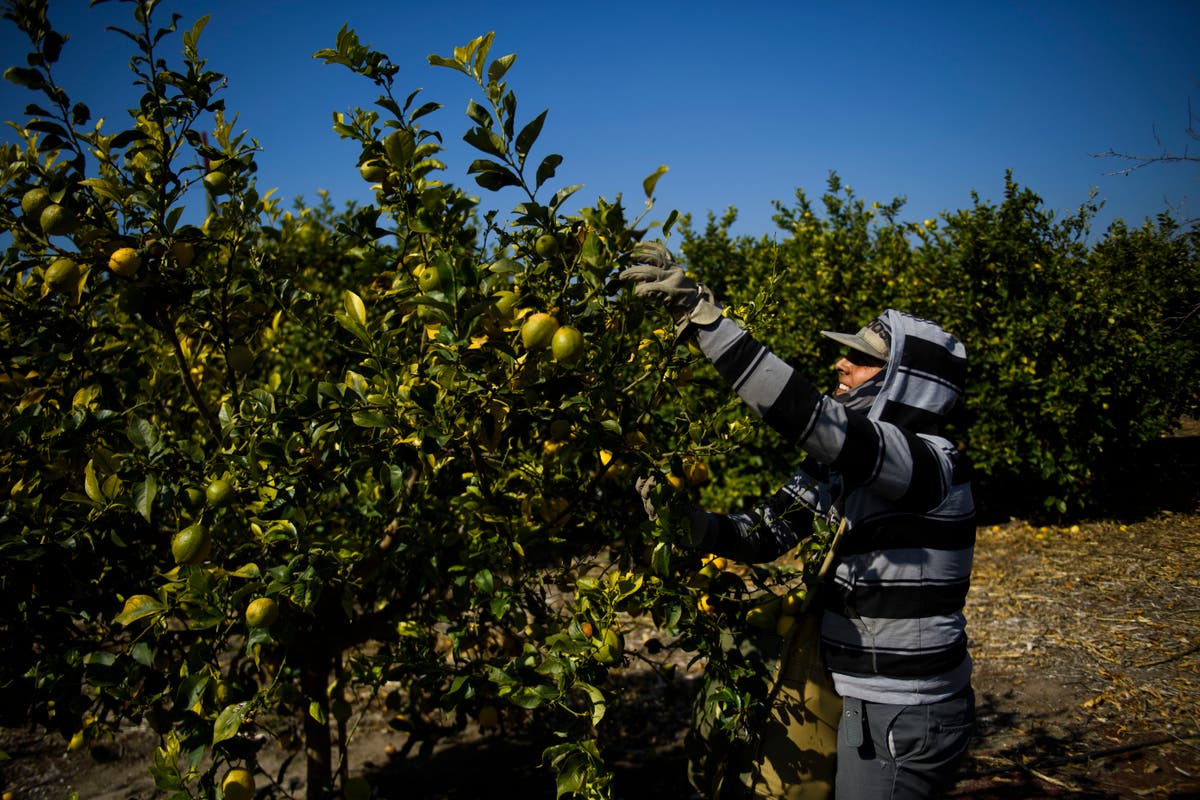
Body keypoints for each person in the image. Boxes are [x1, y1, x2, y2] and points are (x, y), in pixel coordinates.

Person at [620, 242, 977, 800]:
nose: (841, 363)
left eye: (862, 359)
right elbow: (767, 532)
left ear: (907, 380)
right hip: (857, 695)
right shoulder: (842, 473)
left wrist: (705, 320)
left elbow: (812, 418)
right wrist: (687, 524)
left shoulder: (929, 463)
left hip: (906, 711)